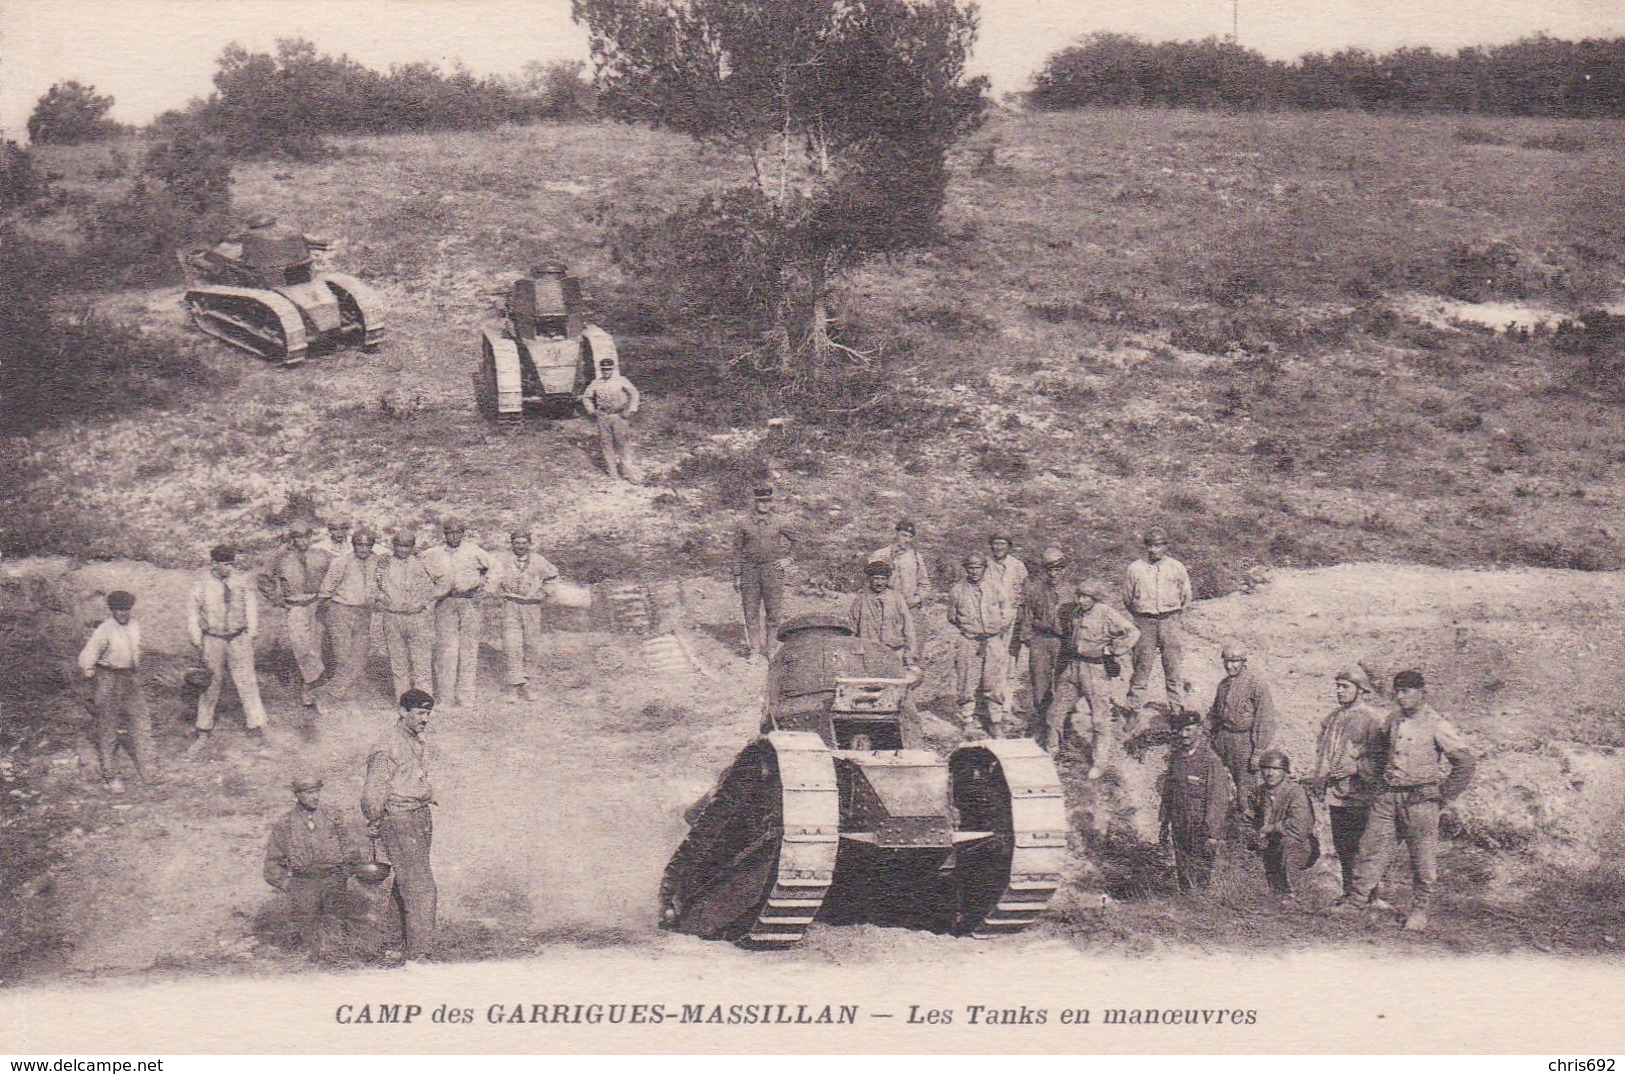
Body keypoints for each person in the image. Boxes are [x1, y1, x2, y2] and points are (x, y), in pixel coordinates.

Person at [1332, 670, 1477, 932]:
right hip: (1388, 796)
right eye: (1397, 691)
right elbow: (1379, 747)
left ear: (1422, 693)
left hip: (1419, 800)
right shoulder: (1394, 718)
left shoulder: (1437, 724)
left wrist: (1443, 794)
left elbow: (1465, 762)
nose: (1401, 697)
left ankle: (1419, 910)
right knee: (1371, 848)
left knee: (1422, 858)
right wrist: (1371, 770)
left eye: (1407, 691)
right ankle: (1356, 903)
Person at [362, 690, 439, 964]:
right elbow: (373, 792)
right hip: (400, 819)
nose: (425, 719)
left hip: (419, 816)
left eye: (428, 713)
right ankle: (419, 957)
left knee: (406, 882)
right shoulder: (387, 746)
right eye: (419, 713)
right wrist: (375, 820)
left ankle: (396, 946)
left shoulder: (414, 740)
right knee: (421, 886)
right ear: (402, 712)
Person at [264, 774, 363, 962]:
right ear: (298, 795)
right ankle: (314, 963)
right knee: (308, 926)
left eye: (317, 791)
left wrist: (345, 873)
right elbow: (273, 861)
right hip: (304, 882)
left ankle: (337, 961)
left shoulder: (332, 816)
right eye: (309, 793)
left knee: (335, 922)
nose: (315, 796)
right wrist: (287, 884)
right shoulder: (285, 824)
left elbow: (349, 847)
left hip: (333, 878)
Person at [77, 590, 163, 792]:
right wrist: (91, 679)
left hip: (130, 678)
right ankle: (111, 776)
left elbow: (135, 651)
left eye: (126, 610)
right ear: (112, 610)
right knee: (108, 727)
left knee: (142, 723)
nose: (123, 614)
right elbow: (86, 658)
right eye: (119, 610)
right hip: (108, 677)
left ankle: (150, 771)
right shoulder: (104, 630)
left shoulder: (134, 625)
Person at [186, 545, 268, 753]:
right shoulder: (201, 585)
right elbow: (193, 614)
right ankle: (203, 730)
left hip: (238, 637)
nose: (229, 568)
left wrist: (251, 632)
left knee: (247, 681)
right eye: (225, 564)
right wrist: (197, 639)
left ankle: (257, 726)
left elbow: (250, 606)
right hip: (212, 639)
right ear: (214, 564)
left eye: (231, 564)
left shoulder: (240, 582)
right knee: (209, 685)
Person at [1312, 668, 1383, 897]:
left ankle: (1369, 895)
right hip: (1337, 793)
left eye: (1345, 687)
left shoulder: (1372, 720)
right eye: (1338, 686)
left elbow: (1382, 758)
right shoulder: (1333, 718)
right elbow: (1323, 750)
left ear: (1360, 690)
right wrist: (1320, 778)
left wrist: (1357, 768)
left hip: (1361, 793)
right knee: (1343, 846)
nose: (1339, 691)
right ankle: (1348, 893)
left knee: (1362, 847)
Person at [1063, 581, 1140, 776]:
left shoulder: (1106, 612)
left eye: (1086, 597)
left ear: (1095, 598)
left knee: (1100, 718)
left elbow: (1132, 632)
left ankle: (1100, 762)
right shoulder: (1077, 613)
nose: (1081, 600)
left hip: (1096, 669)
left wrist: (1112, 650)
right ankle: (1054, 749)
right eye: (1079, 596)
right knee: (1057, 710)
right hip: (1075, 666)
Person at [849, 559, 923, 747]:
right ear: (870, 580)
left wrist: (910, 654)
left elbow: (909, 628)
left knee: (900, 695)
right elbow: (851, 628)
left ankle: (910, 738)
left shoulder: (897, 599)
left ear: (887, 580)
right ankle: (867, 734)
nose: (879, 583)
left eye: (882, 579)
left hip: (893, 653)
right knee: (868, 695)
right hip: (868, 655)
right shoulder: (860, 600)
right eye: (875, 579)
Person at [1158, 710, 1232, 893]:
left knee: (1201, 871)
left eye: (1189, 730)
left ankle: (1201, 903)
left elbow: (1218, 799)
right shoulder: (1176, 758)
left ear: (1199, 730)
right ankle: (1187, 900)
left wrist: (1212, 832)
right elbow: (1168, 791)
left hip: (1200, 825)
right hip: (1179, 822)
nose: (1184, 734)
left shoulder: (1210, 761)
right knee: (1182, 867)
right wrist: (1163, 821)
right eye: (1181, 730)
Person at [423, 519, 493, 710]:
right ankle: (446, 698)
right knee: (446, 650)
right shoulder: (434, 553)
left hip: (469, 602)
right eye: (449, 533)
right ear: (444, 534)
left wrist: (484, 590)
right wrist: (431, 591)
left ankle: (466, 697)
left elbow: (494, 569)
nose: (453, 536)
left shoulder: (473, 551)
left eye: (457, 532)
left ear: (463, 533)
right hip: (445, 602)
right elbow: (420, 570)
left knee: (468, 649)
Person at [946, 551, 1015, 739]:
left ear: (984, 568)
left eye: (978, 568)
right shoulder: (957, 590)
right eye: (971, 568)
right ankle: (967, 720)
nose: (974, 571)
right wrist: (970, 629)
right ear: (965, 569)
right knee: (967, 682)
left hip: (993, 641)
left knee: (994, 682)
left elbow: (1007, 610)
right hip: (970, 641)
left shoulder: (995, 587)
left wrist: (997, 627)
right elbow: (952, 617)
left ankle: (995, 720)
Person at [1123, 527, 1193, 709]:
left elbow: (1186, 596)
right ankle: (1133, 709)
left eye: (1159, 545)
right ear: (1146, 546)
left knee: (1173, 667)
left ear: (1166, 546)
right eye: (1151, 545)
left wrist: (1174, 616)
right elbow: (1127, 598)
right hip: (1144, 622)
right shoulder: (1135, 568)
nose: (1154, 550)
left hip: (1170, 621)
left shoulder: (1176, 567)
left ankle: (1177, 709)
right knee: (1141, 667)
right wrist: (1141, 617)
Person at [1206, 642, 1278, 813]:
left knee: (1246, 787)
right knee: (1218, 783)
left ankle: (1248, 828)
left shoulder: (1256, 685)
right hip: (1223, 738)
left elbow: (1265, 719)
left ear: (1244, 661)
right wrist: (1203, 730)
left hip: (1244, 742)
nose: (1230, 665)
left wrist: (1258, 751)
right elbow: (1215, 713)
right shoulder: (1223, 685)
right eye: (1227, 661)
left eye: (1235, 661)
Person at [492, 530, 559, 703]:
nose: (520, 546)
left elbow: (552, 577)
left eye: (524, 543)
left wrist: (542, 594)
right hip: (511, 606)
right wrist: (499, 591)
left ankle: (527, 684)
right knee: (512, 645)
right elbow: (491, 577)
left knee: (531, 645)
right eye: (517, 543)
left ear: (529, 544)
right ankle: (514, 686)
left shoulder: (539, 561)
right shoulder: (502, 561)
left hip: (531, 607)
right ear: (512, 544)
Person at [1016, 547, 1074, 746]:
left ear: (1065, 569)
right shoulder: (1036, 590)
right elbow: (1027, 616)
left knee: (1063, 685)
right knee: (1040, 683)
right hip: (1040, 641)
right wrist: (1029, 639)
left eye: (1058, 569)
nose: (1053, 573)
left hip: (1063, 642)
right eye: (1049, 569)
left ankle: (1062, 728)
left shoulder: (1073, 592)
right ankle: (1041, 725)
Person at [318, 528, 383, 704]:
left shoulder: (377, 561)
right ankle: (336, 696)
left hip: (363, 613)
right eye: (359, 544)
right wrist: (330, 614)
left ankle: (331, 691)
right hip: (341, 610)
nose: (363, 548)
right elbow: (326, 590)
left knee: (360, 656)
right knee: (343, 656)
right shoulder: (342, 561)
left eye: (367, 544)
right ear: (353, 544)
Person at [734, 486, 797, 660]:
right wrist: (737, 575)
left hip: (772, 570)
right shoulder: (743, 523)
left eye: (767, 500)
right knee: (750, 612)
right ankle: (754, 650)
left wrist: (789, 559)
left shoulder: (780, 521)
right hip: (749, 571)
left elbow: (798, 540)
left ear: (772, 501)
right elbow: (737, 550)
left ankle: (771, 649)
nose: (764, 504)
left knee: (773, 612)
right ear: (755, 501)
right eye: (761, 501)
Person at [376, 530, 438, 701]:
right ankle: (403, 701)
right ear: (393, 545)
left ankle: (424, 701)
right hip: (392, 617)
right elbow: (374, 585)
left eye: (407, 546)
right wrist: (381, 600)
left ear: (413, 546)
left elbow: (441, 582)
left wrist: (427, 603)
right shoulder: (384, 563)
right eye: (399, 545)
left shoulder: (423, 562)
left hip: (417, 617)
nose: (403, 550)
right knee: (398, 662)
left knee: (421, 661)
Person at [1248, 748, 1316, 903]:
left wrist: (1271, 828)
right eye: (1266, 769)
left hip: (1298, 844)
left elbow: (1300, 827)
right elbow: (1248, 817)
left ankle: (1295, 893)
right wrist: (1251, 834)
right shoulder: (1259, 792)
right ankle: (1264, 891)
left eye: (1276, 769)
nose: (1270, 774)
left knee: (1289, 844)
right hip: (1269, 844)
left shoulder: (1295, 792)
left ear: (1285, 772)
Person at [272, 521, 327, 707]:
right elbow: (264, 579)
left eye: (305, 536)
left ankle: (309, 687)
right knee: (300, 645)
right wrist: (277, 597)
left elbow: (337, 572)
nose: (302, 541)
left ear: (310, 537)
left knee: (315, 645)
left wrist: (328, 595)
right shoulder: (282, 559)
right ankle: (314, 678)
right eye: (297, 537)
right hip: (295, 606)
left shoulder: (321, 556)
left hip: (316, 603)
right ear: (292, 539)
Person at [580, 357, 642, 483]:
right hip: (603, 416)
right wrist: (591, 410)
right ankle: (613, 473)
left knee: (623, 444)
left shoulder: (621, 381)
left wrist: (631, 409)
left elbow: (634, 393)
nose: (606, 372)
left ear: (612, 369)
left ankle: (628, 473)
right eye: (604, 369)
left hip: (619, 416)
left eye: (608, 369)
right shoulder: (596, 383)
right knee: (606, 444)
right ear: (601, 370)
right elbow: (586, 397)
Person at [983, 532, 1028, 660]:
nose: (998, 547)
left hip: (1011, 612)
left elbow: (1025, 590)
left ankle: (1009, 676)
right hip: (989, 612)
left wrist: (1018, 609)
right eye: (995, 543)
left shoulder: (1018, 566)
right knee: (990, 647)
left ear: (1009, 546)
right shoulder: (984, 563)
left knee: (1010, 648)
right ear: (990, 546)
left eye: (1002, 544)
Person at [870, 520, 930, 613]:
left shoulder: (916, 558)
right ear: (896, 534)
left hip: (909, 609)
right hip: (883, 608)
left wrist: (916, 599)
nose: (906, 539)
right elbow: (869, 583)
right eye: (904, 535)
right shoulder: (880, 555)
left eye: (910, 537)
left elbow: (924, 584)